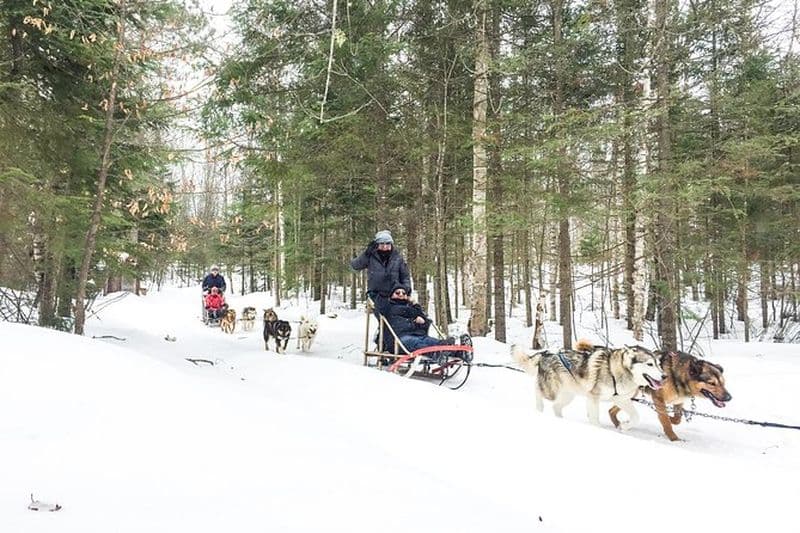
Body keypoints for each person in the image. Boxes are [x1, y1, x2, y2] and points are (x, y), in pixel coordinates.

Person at [376, 284, 454, 354]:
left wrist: (416, 307)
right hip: (399, 340)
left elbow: (425, 321)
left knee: (433, 342)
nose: (401, 294)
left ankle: (456, 351)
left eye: (404, 293)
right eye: (397, 293)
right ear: (391, 295)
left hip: (418, 335)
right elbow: (380, 302)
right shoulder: (387, 308)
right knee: (419, 345)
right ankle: (436, 353)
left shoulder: (411, 308)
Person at [350, 230, 411, 314]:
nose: (385, 247)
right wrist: (366, 254)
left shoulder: (397, 258)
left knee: (400, 318)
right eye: (382, 244)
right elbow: (355, 266)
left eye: (388, 244)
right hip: (376, 295)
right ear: (377, 245)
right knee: (384, 315)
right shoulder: (371, 256)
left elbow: (405, 277)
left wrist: (406, 291)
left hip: (394, 295)